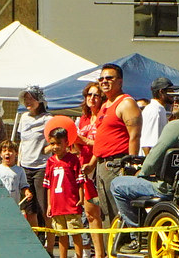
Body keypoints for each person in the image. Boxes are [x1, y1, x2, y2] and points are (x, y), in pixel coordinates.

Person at [109, 83, 179, 252]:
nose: (175, 102)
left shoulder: (176, 126)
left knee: (117, 185)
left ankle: (136, 234)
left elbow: (154, 156)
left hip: (165, 187)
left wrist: (142, 172)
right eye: (175, 98)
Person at [92, 63, 142, 230]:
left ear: (120, 81)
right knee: (107, 214)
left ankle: (126, 249)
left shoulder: (126, 103)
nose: (104, 81)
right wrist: (92, 163)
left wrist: (130, 166)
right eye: (101, 78)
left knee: (119, 212)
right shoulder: (105, 105)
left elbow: (134, 136)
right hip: (101, 166)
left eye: (109, 78)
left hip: (117, 164)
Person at [17, 85, 54, 254]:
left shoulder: (48, 119)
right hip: (24, 166)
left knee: (44, 206)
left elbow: (54, 143)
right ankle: (36, 241)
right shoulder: (23, 117)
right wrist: (18, 162)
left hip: (41, 167)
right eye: (25, 98)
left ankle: (49, 246)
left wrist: (44, 151)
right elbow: (22, 142)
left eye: (31, 98)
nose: (28, 101)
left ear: (39, 100)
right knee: (29, 208)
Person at [44, 127, 85, 258]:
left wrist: (81, 197)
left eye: (58, 143)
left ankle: (79, 255)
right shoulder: (50, 162)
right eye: (52, 144)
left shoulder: (73, 159)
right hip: (57, 204)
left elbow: (80, 180)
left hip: (71, 203)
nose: (55, 147)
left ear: (66, 143)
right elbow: (49, 185)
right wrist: (50, 204)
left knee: (75, 232)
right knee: (61, 234)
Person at [76, 81, 105, 258]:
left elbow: (103, 144)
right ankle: (98, 254)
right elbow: (80, 145)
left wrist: (86, 141)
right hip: (84, 167)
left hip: (99, 165)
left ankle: (108, 252)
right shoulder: (84, 118)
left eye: (96, 95)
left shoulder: (104, 116)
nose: (92, 98)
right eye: (89, 95)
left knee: (104, 212)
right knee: (90, 214)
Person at [0, 140, 31, 219]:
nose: (7, 153)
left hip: (14, 205)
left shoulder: (20, 170)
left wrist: (27, 192)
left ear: (16, 153)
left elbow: (23, 186)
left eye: (10, 151)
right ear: (1, 154)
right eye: (4, 151)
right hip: (0, 204)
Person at [141, 77, 176, 155]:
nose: (173, 93)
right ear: (161, 92)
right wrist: (151, 166)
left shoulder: (157, 109)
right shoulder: (155, 110)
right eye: (170, 91)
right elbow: (148, 144)